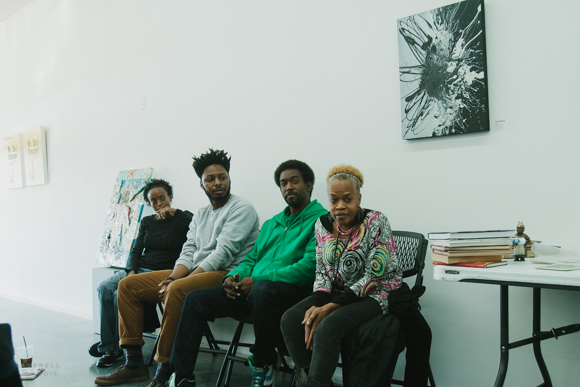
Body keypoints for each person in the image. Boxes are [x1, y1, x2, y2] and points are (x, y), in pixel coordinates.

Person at [94, 149, 260, 387]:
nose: (217, 183)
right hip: (197, 271)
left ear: (229, 178)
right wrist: (172, 277)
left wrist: (180, 281)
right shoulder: (201, 214)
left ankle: (163, 370)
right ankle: (134, 364)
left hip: (225, 274)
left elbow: (223, 254)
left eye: (222, 177)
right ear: (201, 185)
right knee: (127, 285)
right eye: (210, 179)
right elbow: (189, 250)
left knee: (176, 290)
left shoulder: (241, 208)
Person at [170, 160, 327, 387]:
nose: (288, 187)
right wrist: (232, 277)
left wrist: (257, 280)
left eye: (295, 181)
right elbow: (252, 258)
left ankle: (262, 363)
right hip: (255, 292)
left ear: (309, 185)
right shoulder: (273, 223)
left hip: (292, 295)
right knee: (195, 299)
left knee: (263, 290)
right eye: (283, 183)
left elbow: (309, 267)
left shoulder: (321, 221)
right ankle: (182, 376)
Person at [280, 165, 402, 387]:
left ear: (359, 198)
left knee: (328, 326)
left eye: (347, 199)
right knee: (291, 319)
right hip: (337, 293)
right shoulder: (322, 225)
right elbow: (321, 272)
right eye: (334, 199)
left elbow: (373, 278)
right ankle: (315, 380)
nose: (340, 206)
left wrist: (327, 308)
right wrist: (317, 304)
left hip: (375, 295)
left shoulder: (376, 221)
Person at [90, 178, 193, 368]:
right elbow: (136, 250)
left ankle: (117, 348)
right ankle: (110, 348)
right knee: (105, 287)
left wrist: (174, 212)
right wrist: (131, 272)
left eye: (162, 198)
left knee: (119, 295)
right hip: (140, 269)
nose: (159, 203)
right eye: (153, 201)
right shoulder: (147, 222)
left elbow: (197, 227)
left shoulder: (183, 217)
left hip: (163, 273)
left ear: (170, 197)